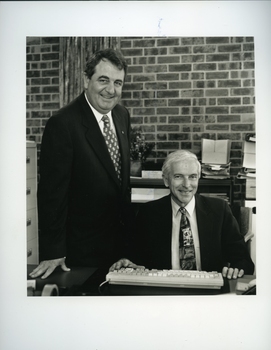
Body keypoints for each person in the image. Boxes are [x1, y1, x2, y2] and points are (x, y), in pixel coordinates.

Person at [30, 48, 133, 279]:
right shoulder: (63, 124)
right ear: (87, 80)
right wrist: (54, 251)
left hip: (118, 252)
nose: (111, 90)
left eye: (118, 83)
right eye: (103, 80)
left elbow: (119, 184)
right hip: (80, 254)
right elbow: (51, 196)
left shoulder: (122, 115)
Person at [110, 150, 254, 279]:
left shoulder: (219, 210)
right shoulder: (148, 213)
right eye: (178, 176)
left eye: (192, 177)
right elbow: (134, 257)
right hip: (164, 291)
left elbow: (243, 260)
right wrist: (127, 261)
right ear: (166, 180)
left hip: (207, 290)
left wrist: (237, 269)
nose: (186, 184)